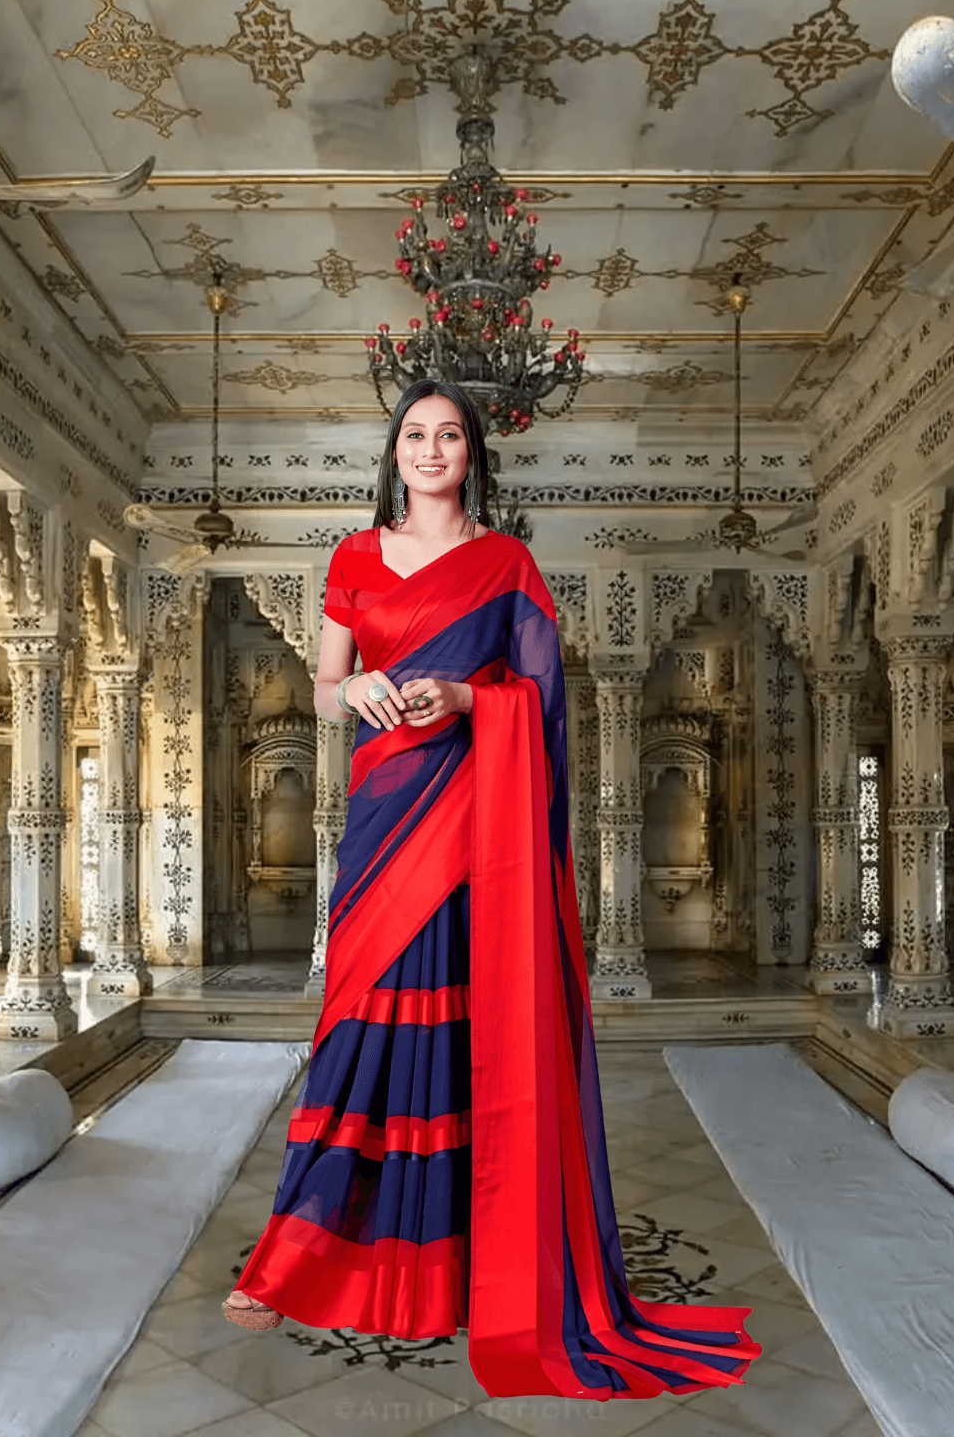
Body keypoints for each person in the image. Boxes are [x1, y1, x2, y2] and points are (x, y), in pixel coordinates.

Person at [222, 378, 760, 1399]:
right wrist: (359, 689)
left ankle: (469, 1261)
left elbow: (543, 697)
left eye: (450, 435)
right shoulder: (353, 558)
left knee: (467, 1032)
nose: (431, 449)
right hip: (386, 824)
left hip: (476, 829)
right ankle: (295, 1259)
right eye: (415, 434)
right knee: (357, 1030)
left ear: (473, 453)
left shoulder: (506, 564)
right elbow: (327, 690)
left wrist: (470, 695)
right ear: (394, 452)